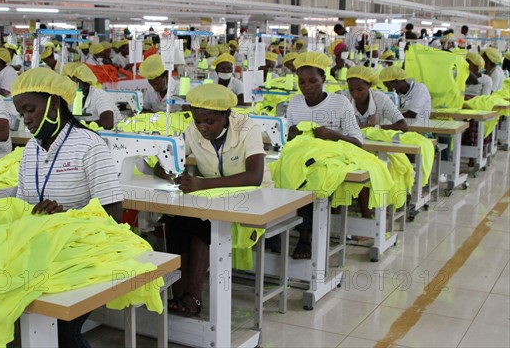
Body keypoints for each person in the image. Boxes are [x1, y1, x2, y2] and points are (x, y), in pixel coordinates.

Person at [12, 67, 123, 348]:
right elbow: (24, 206)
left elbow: (114, 214)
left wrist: (67, 217)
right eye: (21, 112)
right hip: (44, 249)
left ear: (55, 103)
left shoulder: (89, 145)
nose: (26, 119)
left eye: (30, 110)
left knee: (62, 330)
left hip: (85, 251)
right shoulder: (31, 150)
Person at [154, 83, 272, 316]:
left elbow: (254, 176)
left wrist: (201, 183)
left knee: (203, 222)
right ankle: (179, 295)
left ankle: (194, 296)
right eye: (198, 121)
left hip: (254, 197)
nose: (202, 127)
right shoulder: (191, 131)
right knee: (174, 220)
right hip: (213, 196)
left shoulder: (248, 129)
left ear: (226, 115)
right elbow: (163, 165)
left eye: (209, 122)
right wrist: (174, 174)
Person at [286, 52, 363, 259]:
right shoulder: (294, 103)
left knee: (313, 179)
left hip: (329, 161)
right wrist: (290, 133)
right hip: (299, 158)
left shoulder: (340, 103)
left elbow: (358, 142)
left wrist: (332, 135)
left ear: (324, 80)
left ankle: (304, 238)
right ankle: (273, 236)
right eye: (301, 81)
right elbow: (286, 137)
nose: (307, 86)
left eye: (313, 81)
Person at [341, 66, 407, 131]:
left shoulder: (382, 100)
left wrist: (374, 127)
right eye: (351, 89)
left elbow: (403, 125)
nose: (355, 94)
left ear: (369, 85)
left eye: (360, 89)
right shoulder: (344, 98)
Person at [62, 63, 119, 129]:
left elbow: (108, 123)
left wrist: (78, 124)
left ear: (85, 81)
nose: (69, 85)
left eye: (73, 82)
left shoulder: (99, 95)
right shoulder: (69, 96)